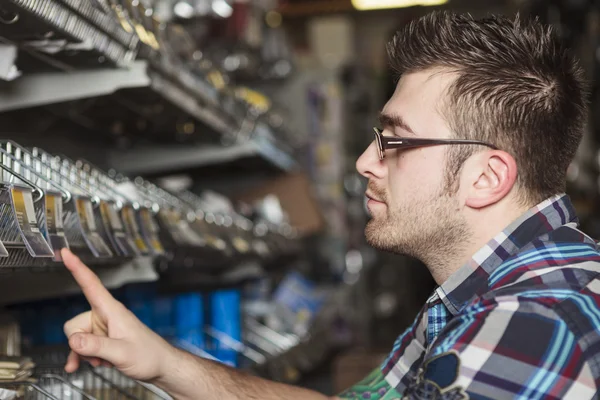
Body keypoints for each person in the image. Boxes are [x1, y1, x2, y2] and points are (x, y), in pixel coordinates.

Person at [61, 10, 600, 400]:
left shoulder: (522, 328)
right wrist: (161, 363)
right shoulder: (489, 292)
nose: (366, 161)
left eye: (395, 141)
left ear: (486, 177)